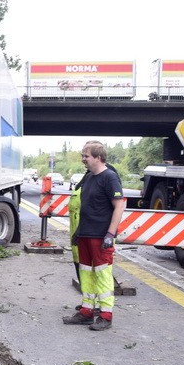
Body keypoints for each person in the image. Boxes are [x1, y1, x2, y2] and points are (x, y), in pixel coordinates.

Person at [62, 142, 126, 331]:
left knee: (103, 275)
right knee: (86, 273)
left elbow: (119, 206)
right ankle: (87, 312)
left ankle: (106, 316)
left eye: (86, 156)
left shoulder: (110, 178)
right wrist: (78, 232)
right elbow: (85, 208)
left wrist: (110, 234)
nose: (83, 159)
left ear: (98, 157)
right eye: (83, 155)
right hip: (86, 235)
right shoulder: (89, 178)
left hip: (101, 236)